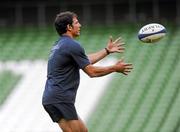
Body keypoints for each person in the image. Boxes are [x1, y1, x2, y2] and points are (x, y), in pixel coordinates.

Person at [42, 11, 133, 132]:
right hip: (60, 98)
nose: (80, 25)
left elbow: (85, 60)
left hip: (54, 97)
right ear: (69, 27)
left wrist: (106, 51)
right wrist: (114, 68)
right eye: (76, 22)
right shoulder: (72, 45)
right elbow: (92, 72)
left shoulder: (60, 44)